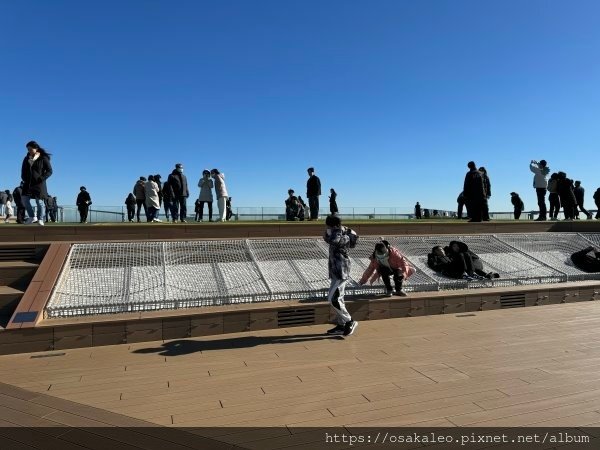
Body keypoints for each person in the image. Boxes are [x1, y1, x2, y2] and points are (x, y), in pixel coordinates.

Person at [323, 215, 358, 337]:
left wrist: (333, 231)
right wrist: (329, 232)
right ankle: (342, 325)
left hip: (341, 271)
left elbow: (334, 241)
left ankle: (349, 321)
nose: (326, 227)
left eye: (327, 225)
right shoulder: (338, 233)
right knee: (339, 298)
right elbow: (328, 239)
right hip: (335, 271)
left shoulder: (341, 234)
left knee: (332, 299)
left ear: (332, 225)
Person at [21, 141, 53, 226]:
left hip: (39, 184)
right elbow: (23, 170)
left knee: (39, 202)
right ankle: (32, 217)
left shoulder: (43, 158)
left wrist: (41, 178)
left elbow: (50, 171)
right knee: (24, 199)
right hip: (28, 183)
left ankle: (40, 219)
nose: (29, 151)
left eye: (31, 149)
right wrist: (24, 178)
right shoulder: (26, 158)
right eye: (28, 149)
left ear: (36, 148)